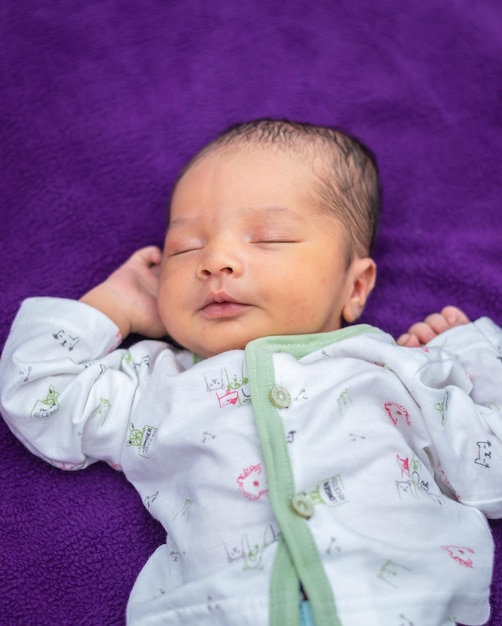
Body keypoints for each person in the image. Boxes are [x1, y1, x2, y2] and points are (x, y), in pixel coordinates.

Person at [0, 119, 501, 626]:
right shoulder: (152, 384)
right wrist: (111, 306)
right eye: (185, 247)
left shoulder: (393, 370)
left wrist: (471, 357)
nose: (215, 260)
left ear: (355, 288)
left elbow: (493, 466)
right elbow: (37, 392)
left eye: (270, 238)